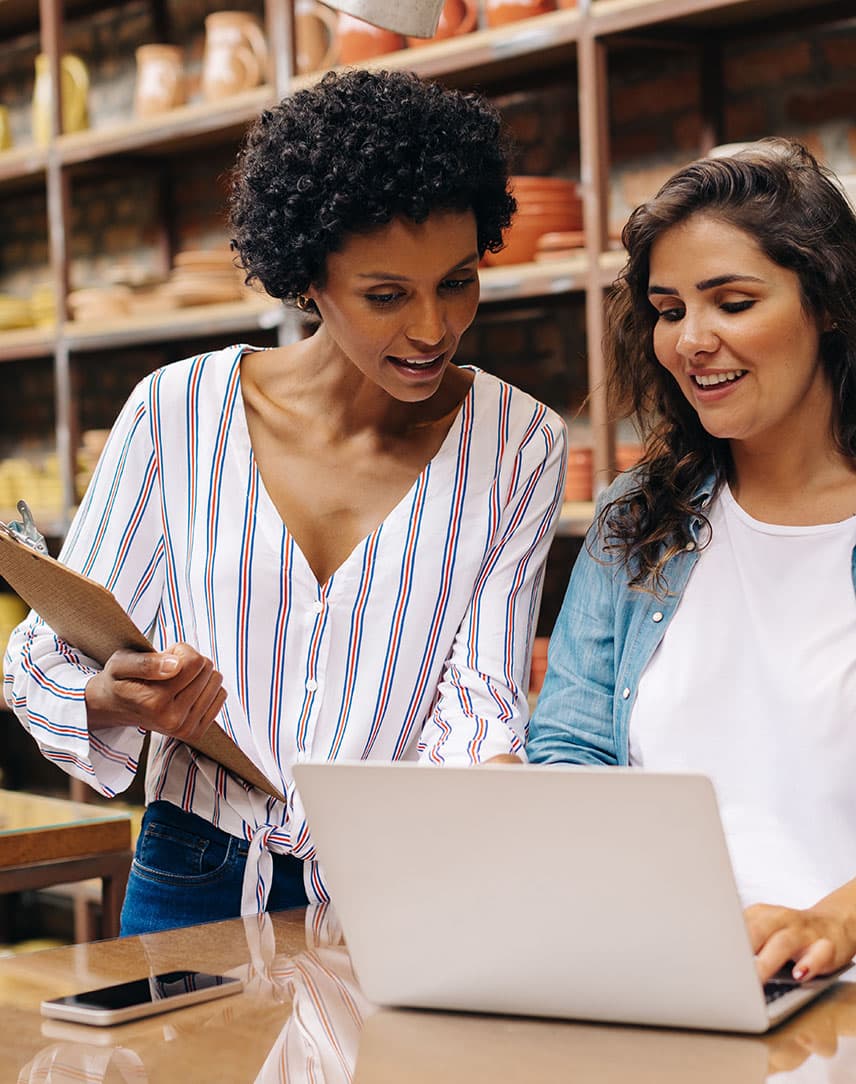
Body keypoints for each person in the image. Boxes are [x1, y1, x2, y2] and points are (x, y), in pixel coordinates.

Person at [4, 69, 566, 934]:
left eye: (457, 281)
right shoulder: (176, 413)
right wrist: (123, 698)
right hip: (193, 869)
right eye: (386, 295)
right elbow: (51, 654)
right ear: (309, 278)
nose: (432, 328)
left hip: (404, 883)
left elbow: (479, 695)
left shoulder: (519, 440)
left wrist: (507, 808)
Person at [527, 138, 856, 987]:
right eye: (669, 311)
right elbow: (570, 745)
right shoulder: (639, 519)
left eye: (733, 302)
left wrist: (834, 919)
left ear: (826, 303)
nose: (691, 341)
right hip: (671, 982)